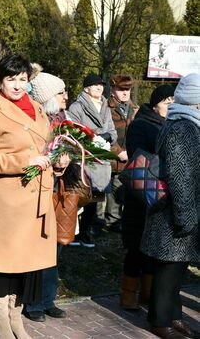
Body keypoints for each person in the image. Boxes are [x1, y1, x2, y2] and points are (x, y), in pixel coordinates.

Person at [0, 54, 66, 339]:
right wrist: (26, 160)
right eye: (11, 79)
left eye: (22, 79)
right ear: (0, 81)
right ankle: (1, 320)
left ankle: (17, 318)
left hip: (37, 199)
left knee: (28, 264)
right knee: (6, 265)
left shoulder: (38, 108)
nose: (17, 85)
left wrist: (59, 159)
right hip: (9, 203)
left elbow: (48, 144)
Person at [140, 74, 200, 339]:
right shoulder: (182, 127)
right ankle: (159, 320)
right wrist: (186, 216)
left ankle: (173, 316)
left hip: (180, 209)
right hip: (174, 212)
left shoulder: (185, 122)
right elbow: (179, 175)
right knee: (168, 268)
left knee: (176, 268)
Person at [120, 84, 174, 311]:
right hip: (141, 192)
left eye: (173, 101)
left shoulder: (170, 124)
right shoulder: (141, 124)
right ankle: (128, 293)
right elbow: (137, 155)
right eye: (166, 102)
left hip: (161, 194)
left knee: (153, 246)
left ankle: (148, 292)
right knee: (136, 246)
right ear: (155, 104)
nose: (170, 106)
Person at [23, 70, 70, 323]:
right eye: (61, 92)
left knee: (53, 247)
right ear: (48, 96)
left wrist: (64, 160)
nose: (66, 96)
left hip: (56, 188)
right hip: (36, 188)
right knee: (36, 245)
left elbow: (65, 146)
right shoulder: (35, 118)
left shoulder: (62, 118)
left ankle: (48, 298)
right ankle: (32, 303)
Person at [68, 74, 117, 248]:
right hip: (84, 157)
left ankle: (85, 233)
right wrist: (93, 137)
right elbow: (73, 132)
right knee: (79, 197)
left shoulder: (105, 105)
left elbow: (112, 131)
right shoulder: (77, 107)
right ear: (87, 88)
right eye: (95, 85)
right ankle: (71, 233)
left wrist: (108, 136)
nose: (99, 88)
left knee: (94, 199)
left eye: (101, 85)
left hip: (101, 157)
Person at [106, 75, 139, 233]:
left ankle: (121, 219)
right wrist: (118, 152)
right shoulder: (106, 108)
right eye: (121, 89)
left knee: (126, 190)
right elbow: (102, 134)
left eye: (128, 89)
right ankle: (112, 221)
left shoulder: (135, 108)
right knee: (114, 189)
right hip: (113, 157)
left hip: (131, 157)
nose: (125, 93)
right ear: (112, 90)